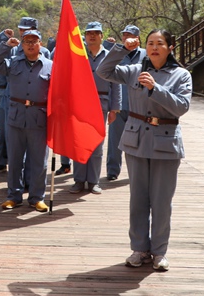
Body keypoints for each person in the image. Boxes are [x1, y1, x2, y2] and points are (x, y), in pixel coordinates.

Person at [97, 29, 191, 272]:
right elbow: (104, 72)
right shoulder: (134, 70)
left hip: (166, 142)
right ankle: (139, 248)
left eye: (160, 43)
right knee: (138, 199)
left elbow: (181, 107)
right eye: (150, 43)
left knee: (161, 201)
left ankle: (159, 252)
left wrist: (155, 89)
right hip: (136, 141)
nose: (154, 47)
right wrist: (121, 49)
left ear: (170, 48)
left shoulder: (181, 75)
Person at [0, 29, 52, 212]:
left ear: (40, 44)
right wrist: (5, 46)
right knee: (15, 160)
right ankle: (13, 196)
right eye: (27, 41)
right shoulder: (13, 63)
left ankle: (37, 197)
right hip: (16, 118)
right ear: (22, 45)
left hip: (39, 117)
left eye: (34, 41)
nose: (31, 44)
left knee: (39, 161)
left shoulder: (51, 65)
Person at [70, 21, 119, 195]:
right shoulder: (78, 54)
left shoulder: (109, 56)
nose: (92, 35)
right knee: (79, 143)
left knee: (97, 145)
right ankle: (78, 180)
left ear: (102, 36)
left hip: (101, 103)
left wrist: (115, 108)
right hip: (80, 104)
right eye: (89, 32)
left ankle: (94, 181)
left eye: (96, 33)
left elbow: (116, 84)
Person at [107, 25, 146, 181]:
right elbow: (105, 69)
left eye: (130, 35)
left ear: (137, 39)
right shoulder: (117, 52)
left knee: (139, 141)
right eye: (124, 35)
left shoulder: (145, 54)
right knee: (114, 140)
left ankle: (137, 173)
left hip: (139, 106)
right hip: (119, 104)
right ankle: (112, 171)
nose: (126, 38)